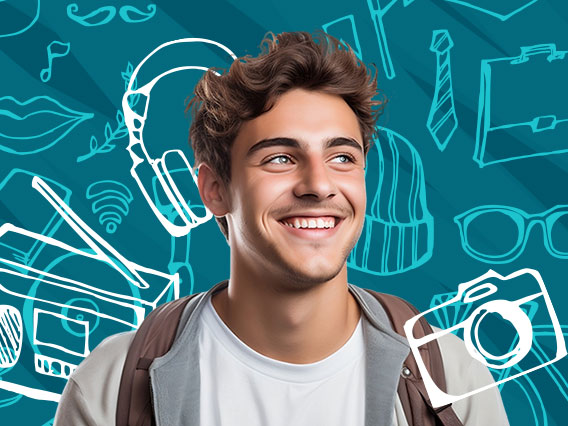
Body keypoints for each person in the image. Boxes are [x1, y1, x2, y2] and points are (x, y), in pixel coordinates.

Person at [54, 31, 509, 426]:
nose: (318, 184)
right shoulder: (110, 386)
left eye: (342, 158)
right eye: (280, 158)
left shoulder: (449, 374)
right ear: (214, 189)